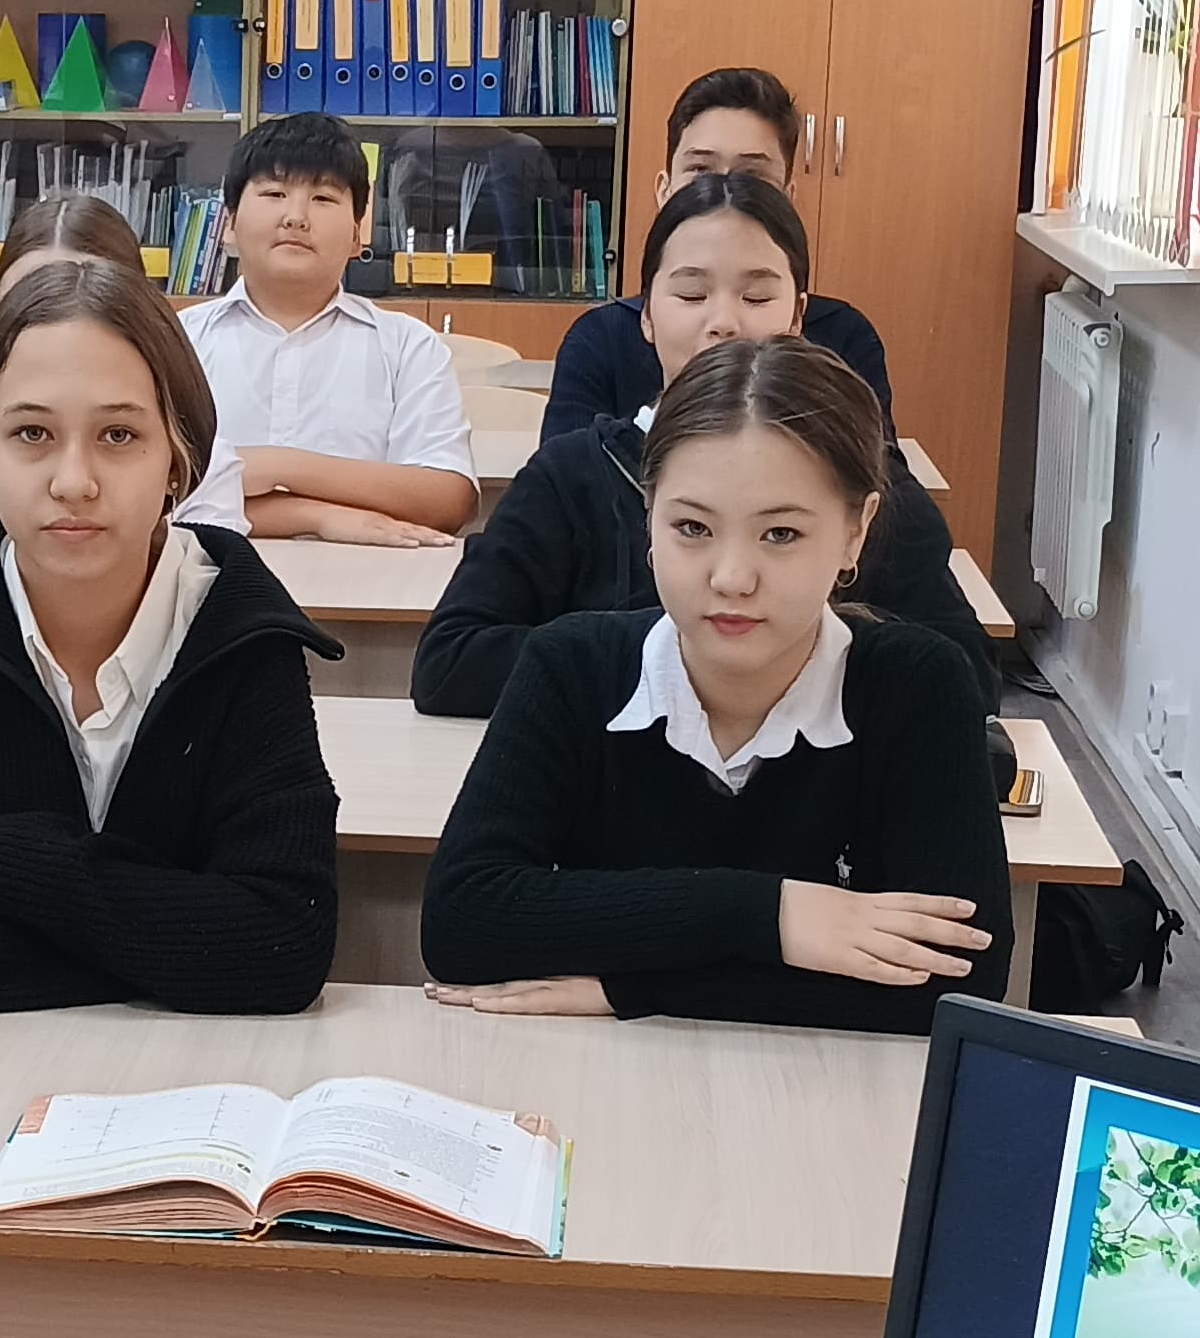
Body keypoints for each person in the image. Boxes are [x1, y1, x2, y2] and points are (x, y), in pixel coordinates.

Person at [0, 262, 339, 1016]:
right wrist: (175, 944)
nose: (74, 481)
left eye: (119, 434)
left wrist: (1, 862)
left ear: (177, 459)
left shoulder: (243, 634)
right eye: (32, 434)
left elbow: (283, 945)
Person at [419, 336, 1008, 1032]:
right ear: (649, 515)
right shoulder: (570, 666)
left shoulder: (919, 685)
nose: (731, 578)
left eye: (781, 534)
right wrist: (775, 914)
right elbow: (464, 924)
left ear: (856, 531)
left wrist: (634, 986)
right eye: (692, 527)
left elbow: (955, 979)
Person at [413, 175, 988, 716]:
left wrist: (791, 656)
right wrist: (685, 656)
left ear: (797, 316)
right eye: (691, 294)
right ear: (646, 316)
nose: (723, 322)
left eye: (756, 298)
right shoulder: (574, 471)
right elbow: (451, 661)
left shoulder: (854, 474)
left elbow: (967, 671)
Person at [0, 196, 250, 611]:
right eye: (29, 302)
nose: (62, 322)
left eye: (118, 435)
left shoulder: (189, 448)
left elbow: (216, 607)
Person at [538, 68, 899, 441]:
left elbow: (881, 469)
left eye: (753, 177)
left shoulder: (843, 338)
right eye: (700, 171)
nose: (725, 191)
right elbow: (560, 469)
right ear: (664, 191)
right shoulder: (601, 338)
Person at [178, 113, 473, 548]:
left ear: (356, 236)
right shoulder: (177, 342)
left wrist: (279, 465)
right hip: (205, 577)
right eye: (274, 193)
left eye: (322, 198)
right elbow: (154, 498)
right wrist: (316, 515)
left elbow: (447, 502)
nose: (296, 217)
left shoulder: (407, 346)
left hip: (365, 580)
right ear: (230, 224)